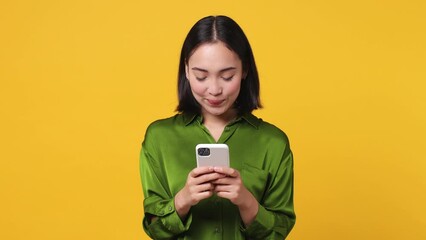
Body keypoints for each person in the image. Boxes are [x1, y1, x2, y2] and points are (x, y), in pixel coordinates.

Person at [140, 15, 295, 239]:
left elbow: (279, 231)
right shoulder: (159, 138)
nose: (214, 89)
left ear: (245, 70)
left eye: (227, 75)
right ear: (186, 70)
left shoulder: (273, 143)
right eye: (201, 76)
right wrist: (183, 199)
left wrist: (246, 201)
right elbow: (154, 228)